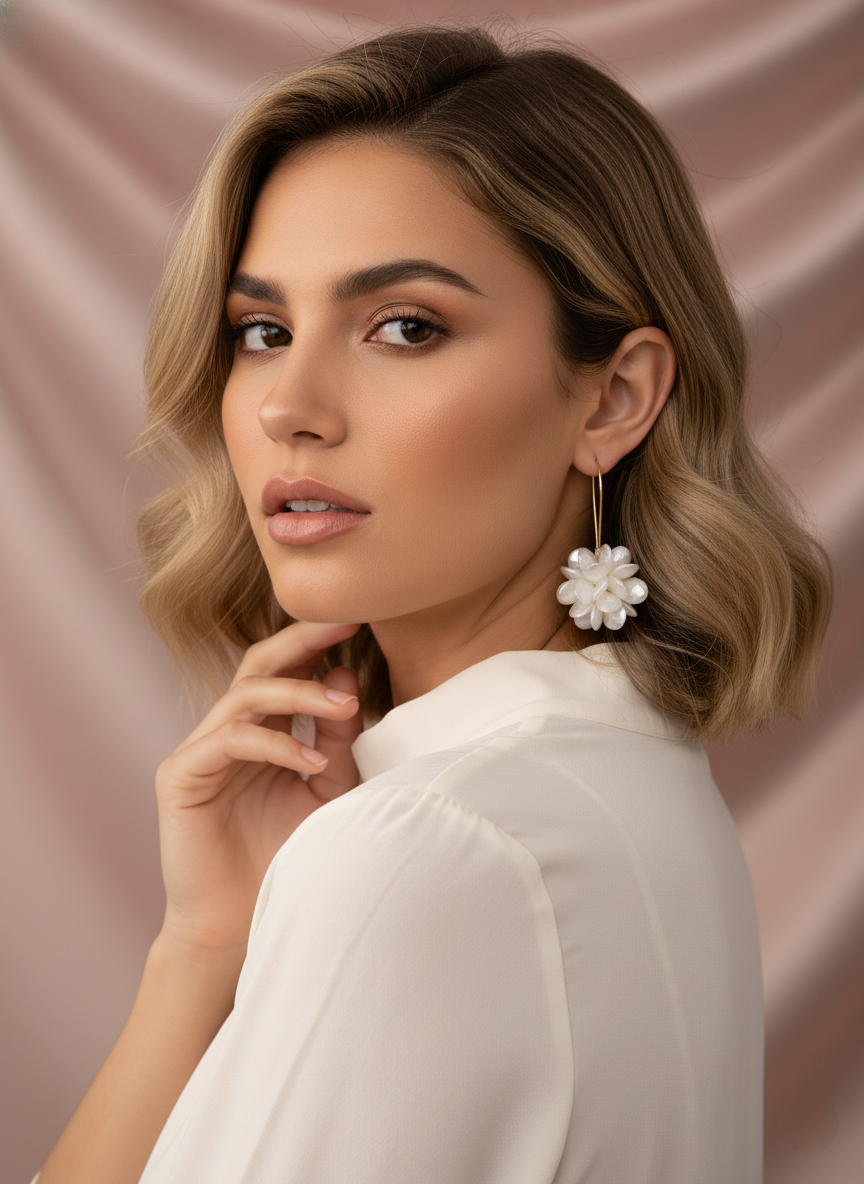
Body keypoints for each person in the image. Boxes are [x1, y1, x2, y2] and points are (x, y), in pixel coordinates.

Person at [36, 22, 832, 1184]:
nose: (286, 408)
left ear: (614, 397)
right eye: (261, 331)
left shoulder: (432, 850)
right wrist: (206, 943)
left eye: (404, 326)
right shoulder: (635, 784)